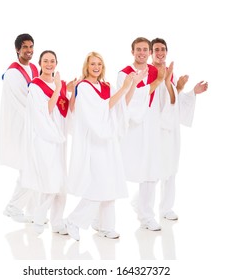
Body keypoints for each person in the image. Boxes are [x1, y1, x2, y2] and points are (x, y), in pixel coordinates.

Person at [65, 51, 146, 241]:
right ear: (87, 66)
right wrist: (125, 86)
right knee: (99, 183)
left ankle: (105, 226)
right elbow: (100, 110)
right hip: (94, 141)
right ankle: (74, 221)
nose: (96, 67)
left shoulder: (105, 86)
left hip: (108, 142)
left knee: (112, 183)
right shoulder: (83, 87)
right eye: (92, 64)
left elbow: (120, 105)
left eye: (99, 64)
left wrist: (132, 85)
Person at [117, 37, 172, 231]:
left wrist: (168, 82)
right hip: (132, 130)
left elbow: (165, 98)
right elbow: (126, 101)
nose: (142, 52)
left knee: (151, 171)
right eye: (138, 49)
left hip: (152, 129)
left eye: (145, 50)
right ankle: (99, 215)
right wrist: (157, 81)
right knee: (116, 170)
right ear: (132, 52)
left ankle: (146, 215)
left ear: (150, 53)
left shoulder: (157, 72)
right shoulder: (124, 73)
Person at [150, 37, 208, 222]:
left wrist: (189, 91)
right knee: (153, 168)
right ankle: (144, 209)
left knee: (171, 166)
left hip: (171, 127)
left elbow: (174, 99)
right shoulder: (148, 72)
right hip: (154, 127)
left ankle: (166, 207)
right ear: (151, 53)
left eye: (163, 49)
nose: (160, 53)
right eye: (157, 49)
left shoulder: (171, 73)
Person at [21, 50, 70, 235]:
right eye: (46, 61)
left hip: (60, 137)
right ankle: (39, 219)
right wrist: (57, 88)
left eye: (52, 61)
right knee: (51, 180)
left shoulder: (60, 84)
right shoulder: (35, 86)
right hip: (45, 138)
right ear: (40, 63)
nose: (49, 64)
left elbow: (65, 108)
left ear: (56, 63)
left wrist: (66, 86)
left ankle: (57, 222)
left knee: (61, 182)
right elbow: (46, 111)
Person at [0, 33, 39, 223]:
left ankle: (32, 211)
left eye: (31, 47)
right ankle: (13, 207)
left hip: (33, 124)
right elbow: (23, 101)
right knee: (29, 166)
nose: (29, 51)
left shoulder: (33, 68)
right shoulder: (13, 73)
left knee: (32, 167)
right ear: (17, 49)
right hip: (21, 124)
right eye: (25, 47)